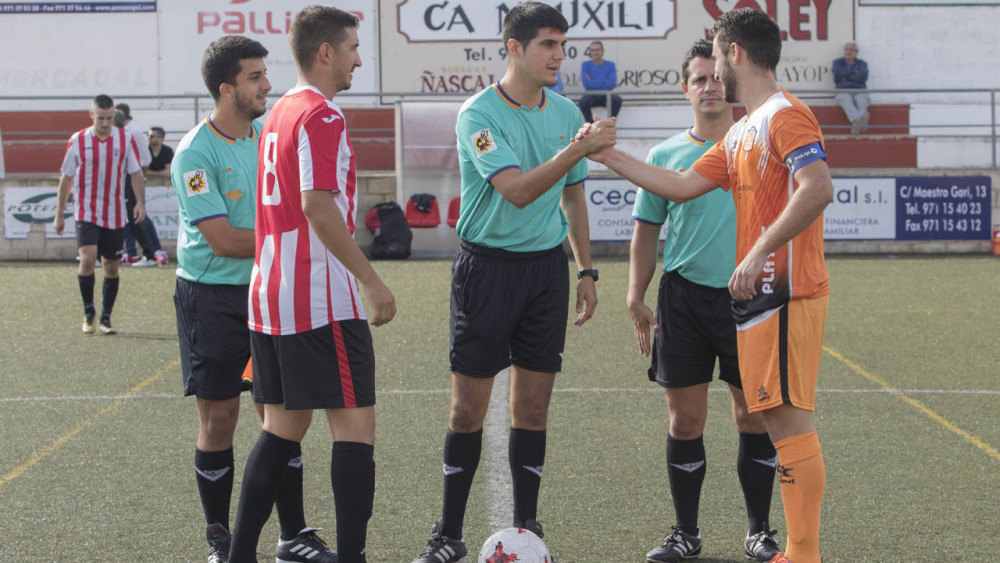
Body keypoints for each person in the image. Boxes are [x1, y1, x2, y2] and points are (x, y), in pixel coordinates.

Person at [588, 8, 833, 563]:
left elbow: (817, 187)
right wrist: (605, 155)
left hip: (784, 291)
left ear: (736, 54)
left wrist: (761, 250)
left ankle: (801, 551)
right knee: (776, 418)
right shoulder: (747, 127)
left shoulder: (783, 115)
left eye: (717, 57)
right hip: (758, 296)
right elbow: (677, 184)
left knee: (787, 418)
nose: (714, 69)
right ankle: (794, 549)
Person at [410, 4, 615, 562]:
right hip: (487, 271)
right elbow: (518, 190)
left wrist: (586, 269)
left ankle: (526, 527)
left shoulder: (567, 110)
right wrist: (579, 147)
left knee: (533, 410)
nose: (559, 56)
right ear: (514, 48)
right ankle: (448, 532)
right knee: (466, 411)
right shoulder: (479, 115)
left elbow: (574, 194)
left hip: (546, 272)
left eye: (562, 45)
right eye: (548, 44)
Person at [229, 7, 396, 563]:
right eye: (351, 47)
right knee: (354, 429)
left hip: (269, 293)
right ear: (325, 52)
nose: (358, 58)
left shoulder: (276, 113)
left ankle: (239, 554)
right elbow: (317, 207)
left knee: (281, 430)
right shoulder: (322, 115)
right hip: (319, 296)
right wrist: (371, 281)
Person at [171, 35, 338, 563]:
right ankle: (222, 539)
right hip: (212, 298)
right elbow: (222, 239)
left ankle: (293, 535)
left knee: (283, 414)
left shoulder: (270, 134)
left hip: (271, 289)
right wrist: (297, 234)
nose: (268, 85)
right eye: (254, 77)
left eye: (266, 74)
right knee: (219, 419)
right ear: (227, 88)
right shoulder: (195, 153)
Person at [628, 39, 779, 563]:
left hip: (750, 298)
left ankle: (760, 530)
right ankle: (686, 533)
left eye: (717, 77)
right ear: (685, 88)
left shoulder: (758, 142)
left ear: (730, 82)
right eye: (699, 79)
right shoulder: (665, 157)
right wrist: (635, 294)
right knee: (685, 420)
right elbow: (647, 232)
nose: (710, 86)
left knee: (753, 417)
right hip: (684, 300)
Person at [54, 94, 146, 335]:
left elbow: (136, 173)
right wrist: (59, 214)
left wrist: (140, 203)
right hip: (86, 210)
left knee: (112, 267)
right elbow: (66, 177)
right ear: (91, 115)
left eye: (109, 118)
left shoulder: (125, 139)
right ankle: (88, 312)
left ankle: (106, 317)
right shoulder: (78, 139)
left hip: (115, 212)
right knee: (87, 258)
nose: (105, 123)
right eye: (101, 118)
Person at [114, 103, 167, 267]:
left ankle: (152, 253)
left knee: (137, 216)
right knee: (129, 217)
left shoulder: (133, 132)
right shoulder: (122, 132)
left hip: (132, 178)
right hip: (124, 178)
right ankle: (132, 253)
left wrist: (137, 174)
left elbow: (144, 159)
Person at [579, 40, 622, 122]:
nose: (595, 52)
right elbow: (586, 84)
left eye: (597, 50)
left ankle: (609, 123)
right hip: (591, 95)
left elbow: (612, 84)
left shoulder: (610, 65)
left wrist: (593, 81)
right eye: (592, 50)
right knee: (583, 102)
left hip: (606, 95)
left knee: (617, 100)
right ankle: (591, 126)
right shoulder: (585, 65)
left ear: (602, 51)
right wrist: (604, 82)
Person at [833, 42, 870, 135]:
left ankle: (857, 121)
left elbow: (863, 77)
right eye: (846, 49)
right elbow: (837, 75)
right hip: (843, 91)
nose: (848, 52)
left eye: (851, 50)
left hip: (859, 90)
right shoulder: (837, 63)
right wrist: (854, 74)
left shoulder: (862, 64)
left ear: (856, 52)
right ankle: (859, 119)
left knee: (863, 100)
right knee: (845, 100)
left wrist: (845, 77)